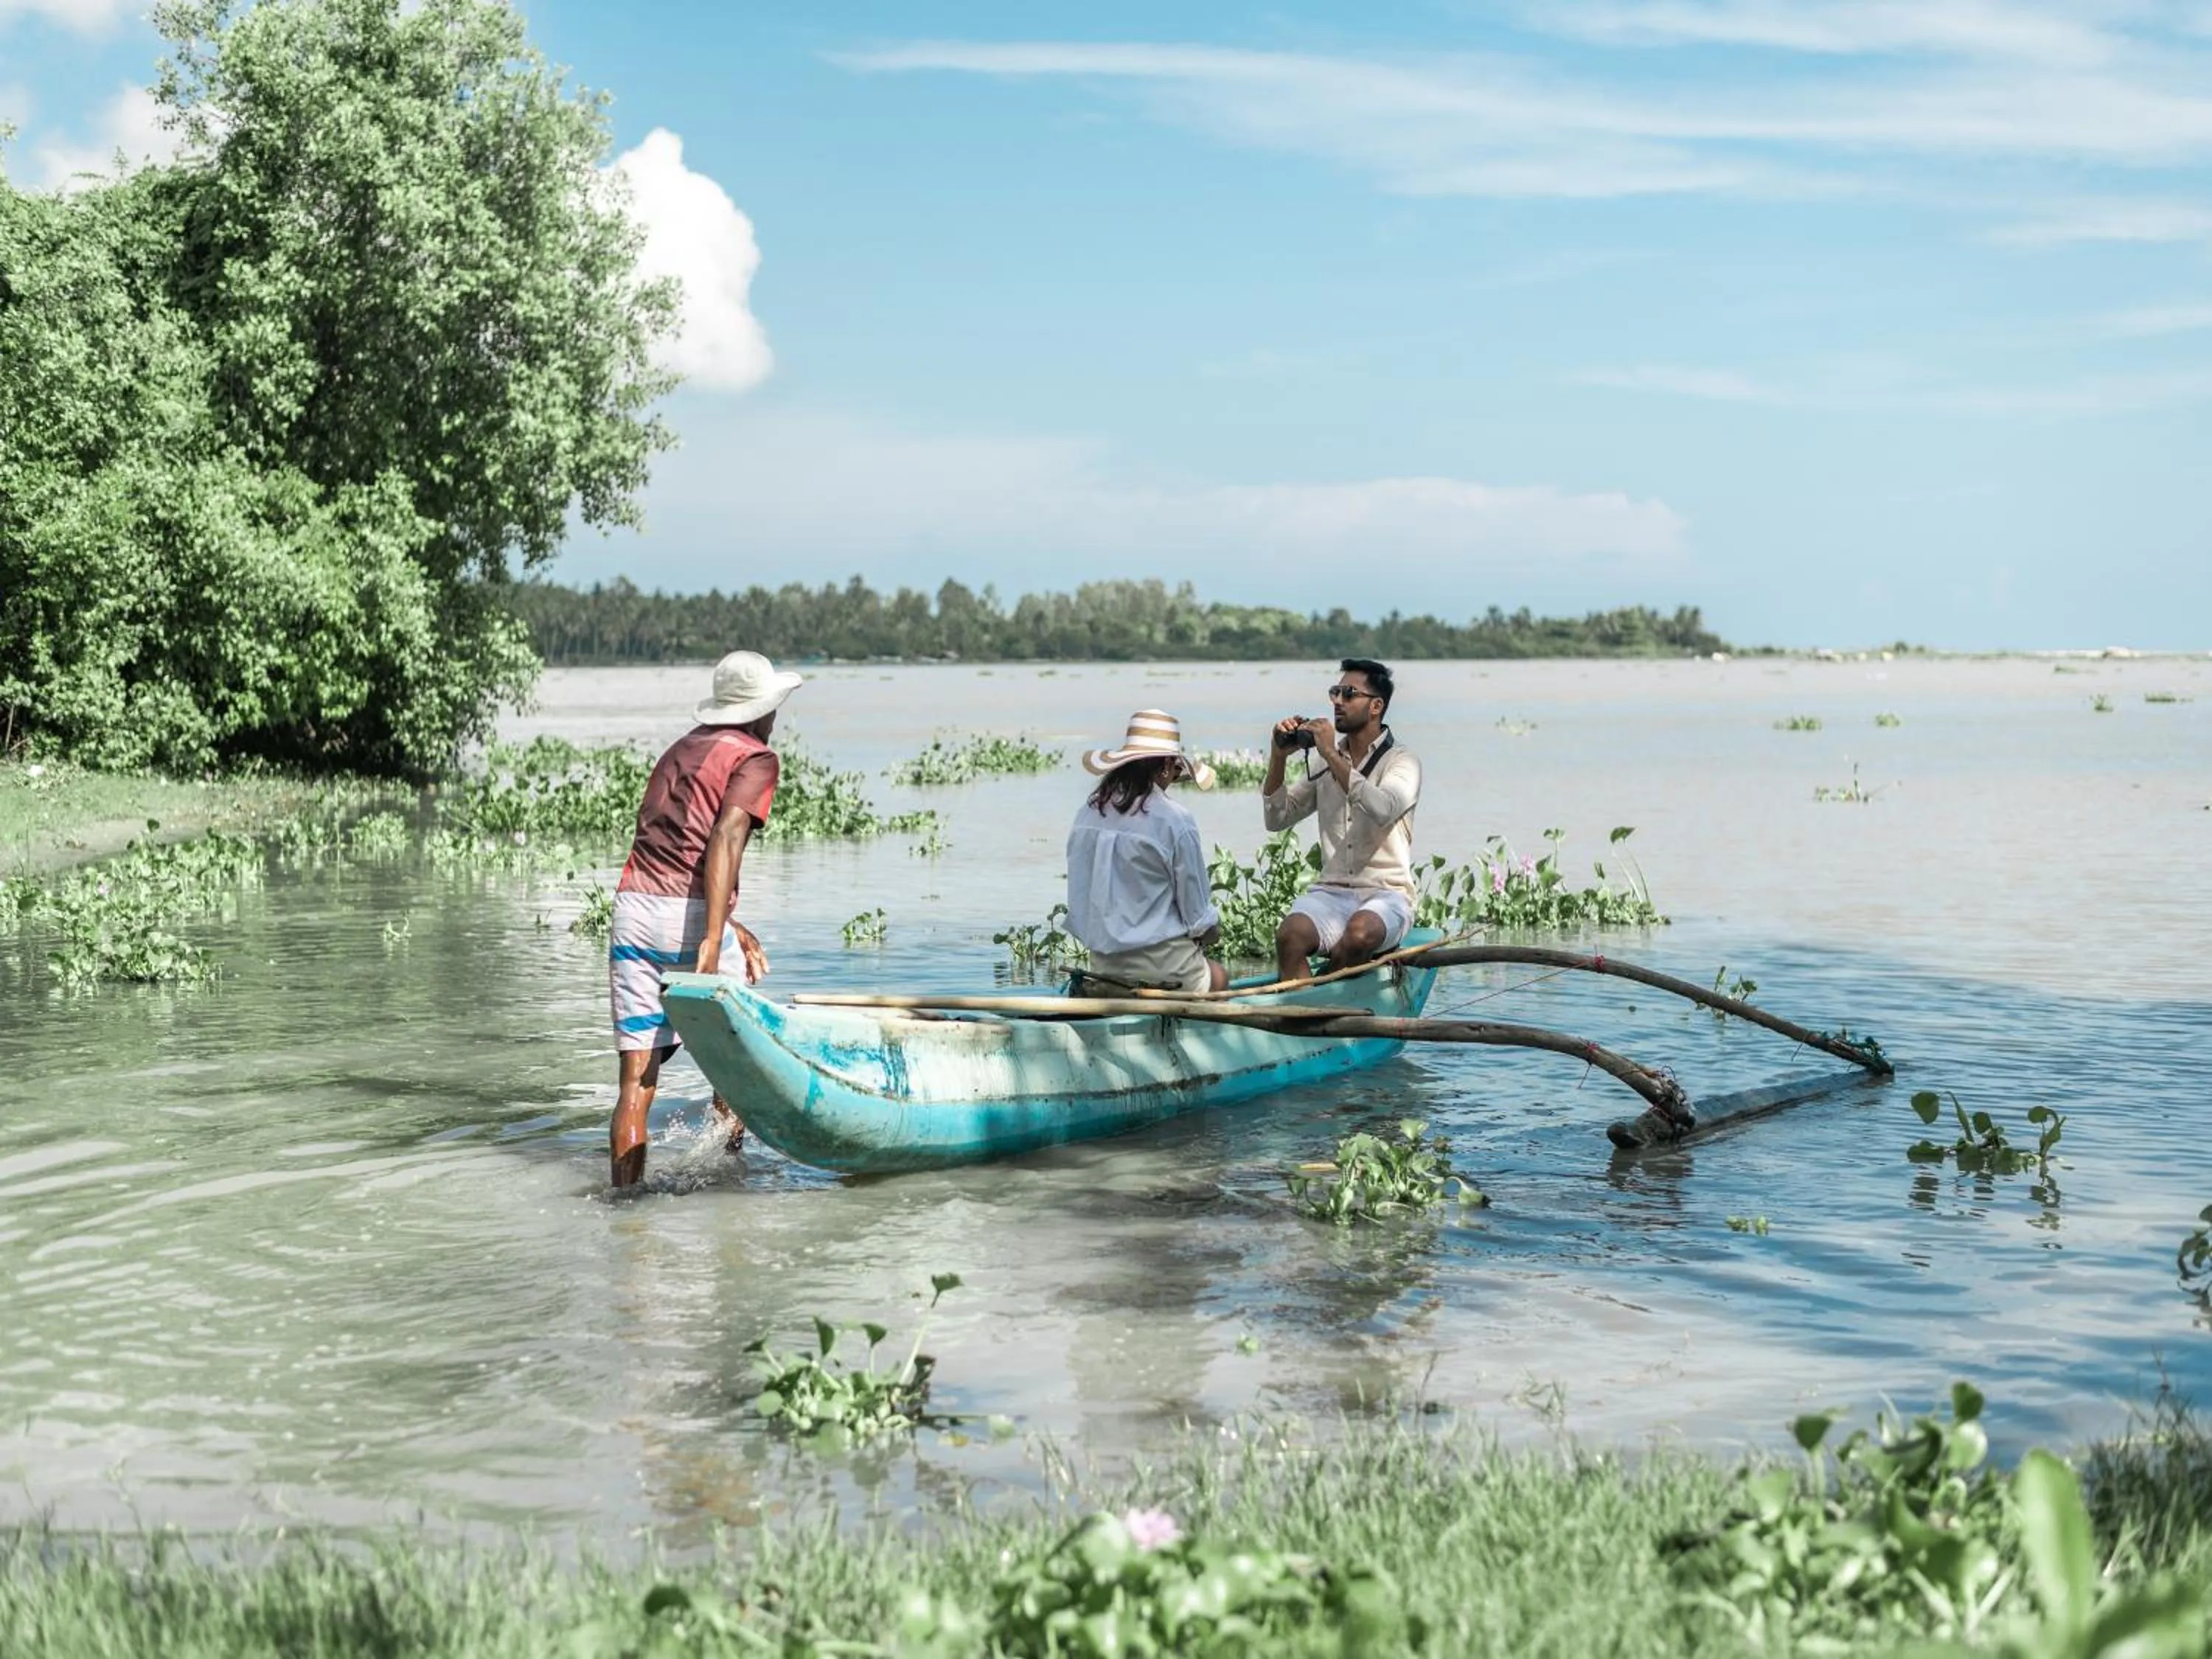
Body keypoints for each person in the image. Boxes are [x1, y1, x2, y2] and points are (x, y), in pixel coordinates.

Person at [606, 649, 802, 1188]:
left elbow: (671, 848)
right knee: (735, 1070)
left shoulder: (678, 751)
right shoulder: (755, 757)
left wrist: (728, 924)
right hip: (688, 919)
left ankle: (627, 1211)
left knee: (635, 1088)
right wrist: (713, 937)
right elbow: (724, 838)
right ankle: (728, 1176)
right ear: (761, 711)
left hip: (632, 912)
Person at [1262, 657, 1422, 984]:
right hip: (1331, 893)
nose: (1337, 701)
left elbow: (1384, 808)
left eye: (1349, 694)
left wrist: (1331, 754)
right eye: (1335, 692)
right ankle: (1309, 1015)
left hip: (1387, 895)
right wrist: (1278, 757)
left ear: (1376, 706)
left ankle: (1317, 1007)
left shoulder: (1403, 762)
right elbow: (1277, 818)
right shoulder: (1328, 765)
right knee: (1290, 935)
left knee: (1359, 934)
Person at [1064, 709, 1228, 994]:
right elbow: (1199, 919)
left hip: (1103, 972)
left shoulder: (1087, 813)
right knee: (1219, 976)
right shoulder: (1175, 819)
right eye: (1175, 771)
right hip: (1164, 969)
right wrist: (1212, 934)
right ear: (1166, 766)